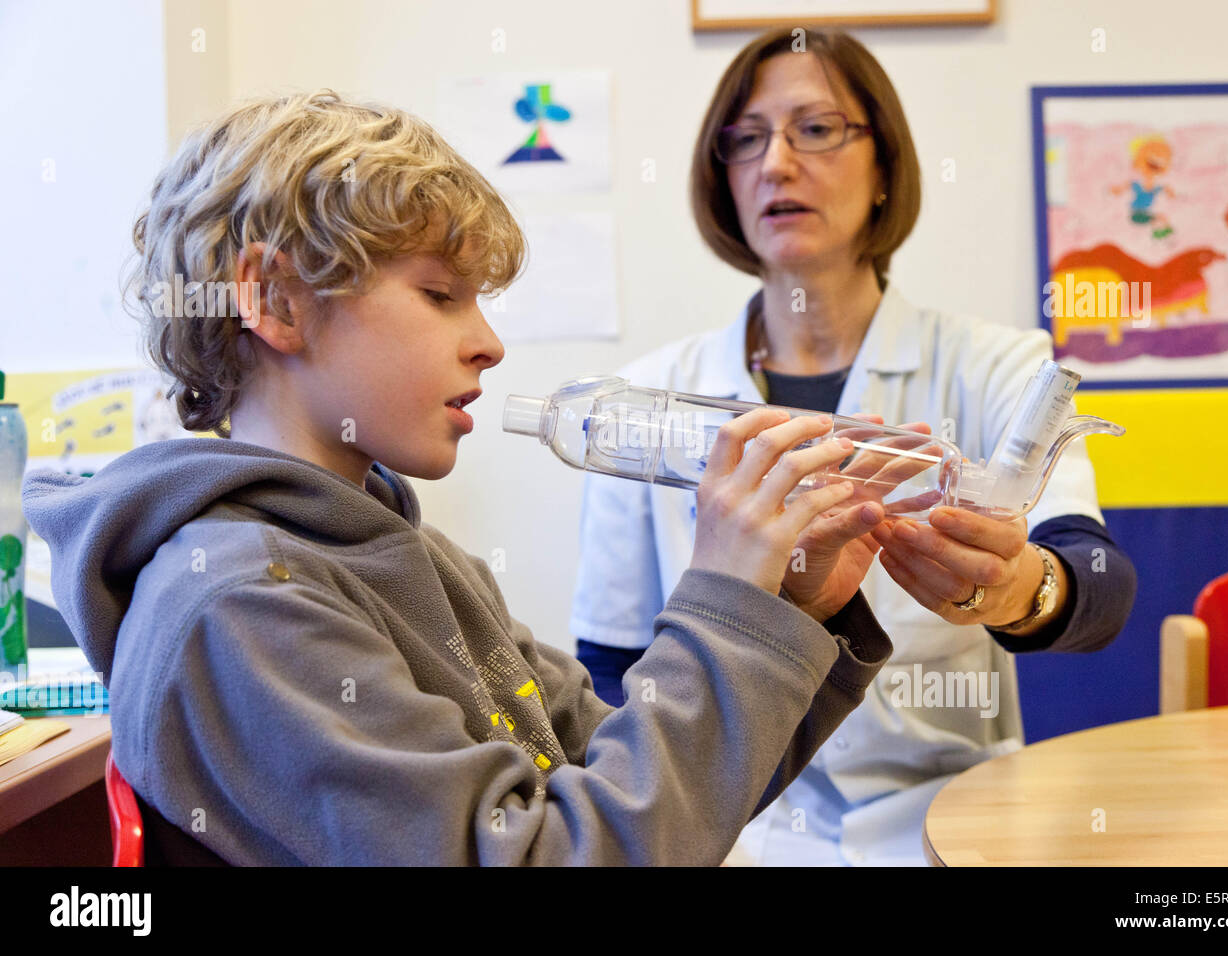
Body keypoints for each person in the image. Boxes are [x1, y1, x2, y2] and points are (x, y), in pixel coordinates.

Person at [20, 90, 897, 866]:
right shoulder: (243, 605)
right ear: (276, 300)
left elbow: (649, 798)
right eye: (441, 294)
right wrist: (725, 603)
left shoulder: (408, 555)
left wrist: (787, 607)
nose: (489, 341)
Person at [571, 28, 1137, 866]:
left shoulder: (993, 366)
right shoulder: (646, 401)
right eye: (747, 138)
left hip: (948, 823)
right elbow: (611, 672)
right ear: (722, 177)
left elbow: (1099, 589)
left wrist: (1018, 587)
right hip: (731, 836)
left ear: (885, 168)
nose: (777, 163)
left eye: (817, 128)